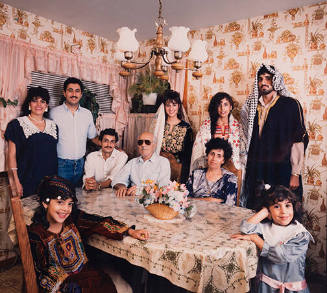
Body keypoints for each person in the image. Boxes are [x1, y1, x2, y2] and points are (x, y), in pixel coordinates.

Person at [28, 175, 149, 293]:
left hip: (86, 276)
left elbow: (99, 222)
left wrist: (130, 231)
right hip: (63, 286)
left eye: (69, 204)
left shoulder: (72, 219)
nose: (66, 209)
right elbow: (42, 272)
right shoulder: (37, 234)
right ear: (45, 203)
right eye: (60, 202)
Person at [240, 64, 307, 208]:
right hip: (257, 170)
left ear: (276, 80)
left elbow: (298, 140)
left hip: (282, 170)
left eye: (268, 78)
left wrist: (295, 173)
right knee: (257, 211)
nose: (263, 82)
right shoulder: (250, 108)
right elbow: (245, 141)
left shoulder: (290, 105)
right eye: (260, 79)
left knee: (283, 212)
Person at [231, 184, 313, 293]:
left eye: (287, 206)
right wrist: (264, 212)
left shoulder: (300, 234)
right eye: (276, 206)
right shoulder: (266, 227)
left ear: (294, 208)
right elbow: (245, 228)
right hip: (266, 287)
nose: (283, 211)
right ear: (269, 213)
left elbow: (280, 256)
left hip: (292, 289)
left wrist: (256, 239)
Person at [5, 87, 57, 197]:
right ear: (29, 104)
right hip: (26, 180)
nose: (39, 104)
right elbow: (11, 156)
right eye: (34, 100)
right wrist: (16, 182)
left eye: (42, 101)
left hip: (49, 181)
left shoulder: (53, 126)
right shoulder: (16, 125)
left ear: (46, 106)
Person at [50, 77, 98, 187]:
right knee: (61, 197)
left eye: (77, 91)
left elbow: (93, 137)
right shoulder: (54, 113)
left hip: (81, 164)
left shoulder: (87, 114)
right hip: (61, 164)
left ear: (81, 94)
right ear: (64, 93)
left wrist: (114, 148)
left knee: (79, 198)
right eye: (70, 90)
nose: (74, 94)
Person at [190, 92, 241, 172]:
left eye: (225, 104)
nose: (222, 108)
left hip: (230, 168)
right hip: (210, 165)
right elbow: (198, 150)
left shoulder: (237, 127)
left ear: (231, 107)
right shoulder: (206, 126)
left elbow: (242, 153)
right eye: (219, 105)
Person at [112, 132, 170, 197]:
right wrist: (121, 186)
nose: (143, 145)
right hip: (132, 200)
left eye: (147, 142)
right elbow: (117, 179)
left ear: (154, 145)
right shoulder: (132, 162)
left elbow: (163, 186)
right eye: (140, 142)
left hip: (153, 202)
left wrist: (141, 190)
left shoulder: (163, 162)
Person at [153, 90, 193, 183]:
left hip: (177, 169)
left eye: (174, 105)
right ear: (163, 107)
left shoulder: (186, 127)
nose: (171, 109)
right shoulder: (158, 125)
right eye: (168, 105)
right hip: (158, 167)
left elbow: (187, 155)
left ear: (179, 106)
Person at [186, 138, 237, 206]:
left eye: (219, 156)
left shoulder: (230, 178)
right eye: (212, 154)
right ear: (207, 156)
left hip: (219, 215)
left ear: (223, 160)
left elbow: (229, 206)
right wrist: (209, 200)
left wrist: (197, 200)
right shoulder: (196, 174)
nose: (214, 159)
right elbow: (185, 199)